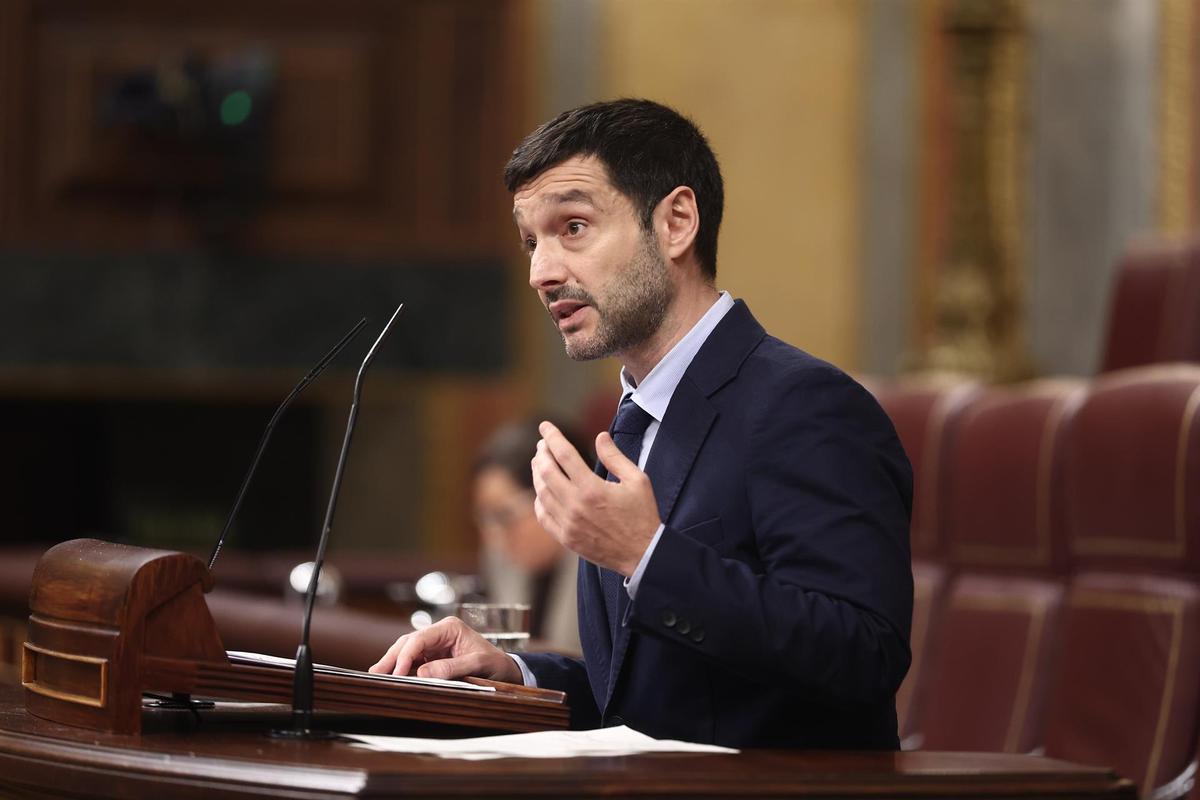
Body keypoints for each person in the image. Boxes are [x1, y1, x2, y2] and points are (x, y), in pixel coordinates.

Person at [372, 98, 914, 749]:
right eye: (530, 242)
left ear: (676, 222)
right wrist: (512, 670)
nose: (541, 272)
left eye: (572, 227)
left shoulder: (804, 404)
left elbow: (863, 653)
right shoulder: (630, 423)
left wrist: (645, 555)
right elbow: (642, 698)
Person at [473, 418, 582, 653]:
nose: (492, 538)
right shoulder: (500, 560)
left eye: (503, 516)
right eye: (484, 518)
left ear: (554, 495)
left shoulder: (602, 566)